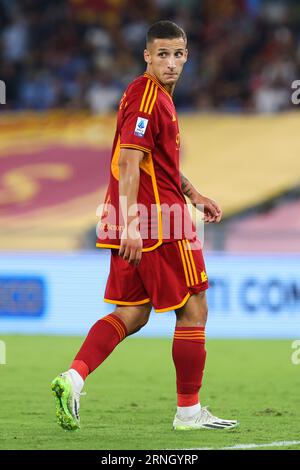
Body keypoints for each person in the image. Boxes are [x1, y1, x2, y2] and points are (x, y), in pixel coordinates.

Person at [51, 20, 238, 432]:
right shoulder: (149, 96)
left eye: (178, 54)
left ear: (187, 56)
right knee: (194, 309)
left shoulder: (150, 96)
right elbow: (129, 161)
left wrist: (194, 194)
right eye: (162, 54)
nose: (171, 63)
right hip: (157, 222)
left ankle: (74, 378)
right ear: (147, 56)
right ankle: (189, 412)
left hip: (139, 216)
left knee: (132, 313)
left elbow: (159, 163)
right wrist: (134, 225)